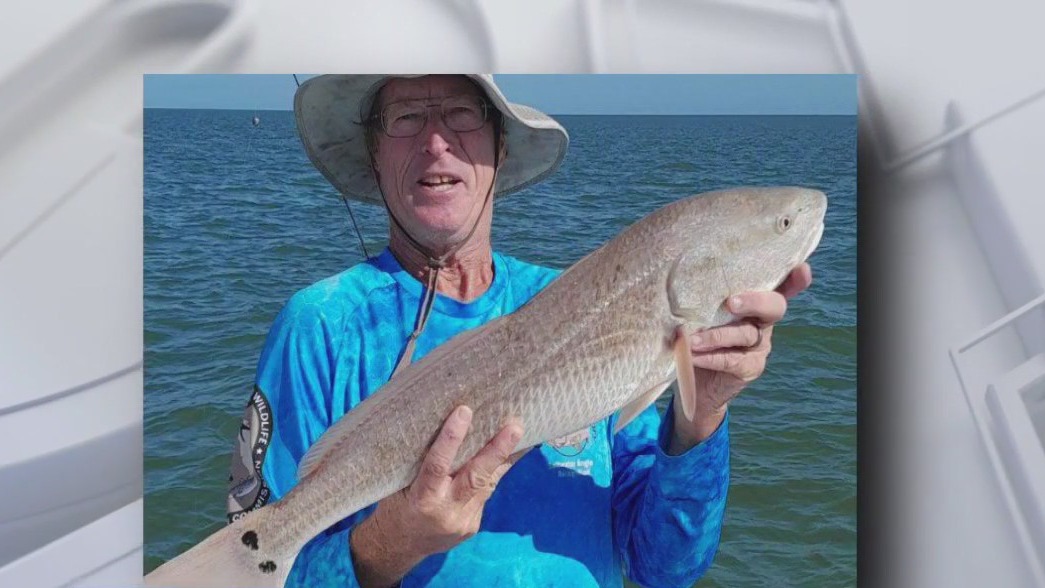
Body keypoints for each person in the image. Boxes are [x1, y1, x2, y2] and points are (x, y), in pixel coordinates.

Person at [226, 74, 812, 588]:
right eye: (406, 117)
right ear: (374, 153)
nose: (436, 142)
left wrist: (699, 416)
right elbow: (259, 563)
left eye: (461, 113)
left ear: (500, 146)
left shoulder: (587, 305)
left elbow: (664, 568)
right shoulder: (320, 326)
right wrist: (389, 545)